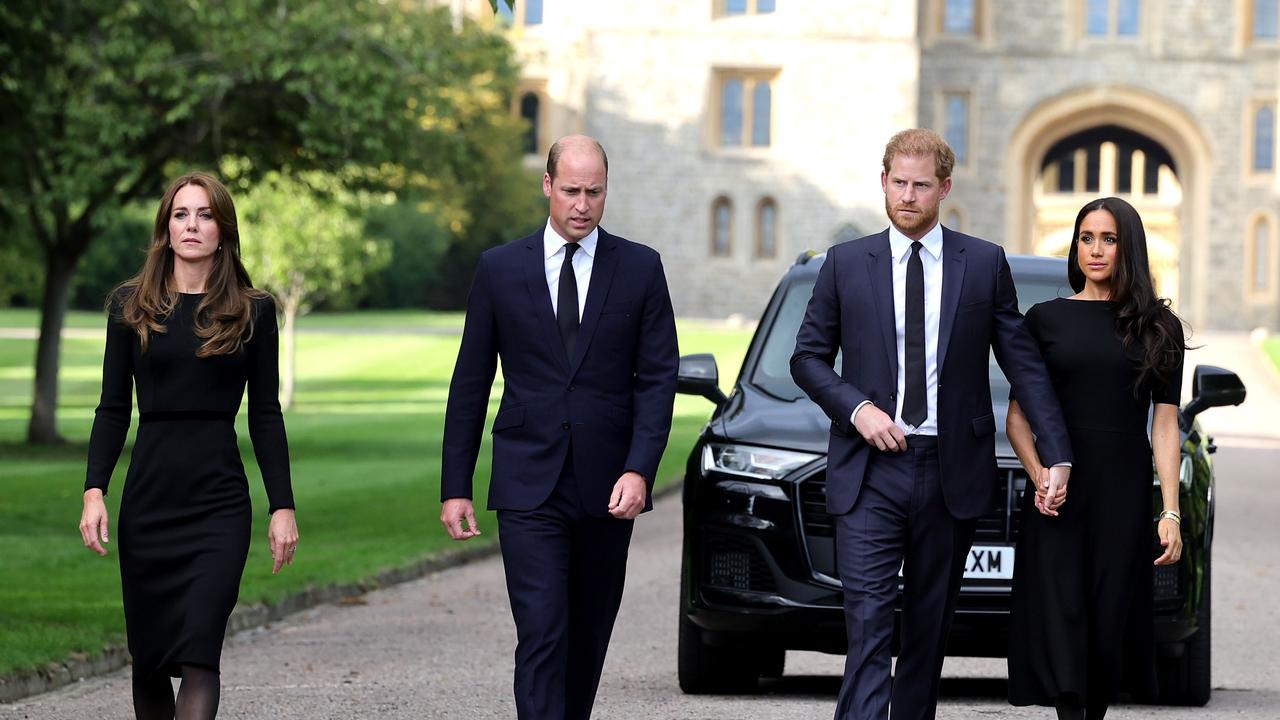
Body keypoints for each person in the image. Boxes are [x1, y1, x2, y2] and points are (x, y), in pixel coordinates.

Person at [791, 128, 1073, 720]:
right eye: (899, 183)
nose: (909, 196)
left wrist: (1058, 454)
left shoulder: (983, 263)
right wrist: (858, 408)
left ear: (944, 188)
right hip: (869, 470)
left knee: (926, 631)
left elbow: (1023, 364)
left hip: (950, 472)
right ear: (884, 181)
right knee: (867, 625)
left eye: (922, 185)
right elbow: (808, 358)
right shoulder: (845, 263)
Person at [439, 135, 679, 720]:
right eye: (570, 190)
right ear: (547, 185)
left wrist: (640, 469)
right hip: (529, 482)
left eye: (594, 192)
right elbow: (470, 383)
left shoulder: (641, 268)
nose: (582, 204)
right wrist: (455, 485)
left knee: (588, 636)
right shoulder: (499, 269)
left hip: (609, 484)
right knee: (543, 629)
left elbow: (657, 381)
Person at [79, 172, 299, 720]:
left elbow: (266, 416)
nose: (192, 225)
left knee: (201, 655)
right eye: (181, 214)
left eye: (204, 215)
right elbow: (112, 408)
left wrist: (282, 506)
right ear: (165, 228)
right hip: (150, 500)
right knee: (150, 661)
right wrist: (94, 490)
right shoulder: (130, 307)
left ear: (223, 231)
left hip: (218, 503)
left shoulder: (254, 311)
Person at [1006, 197, 1186, 720]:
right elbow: (1018, 418)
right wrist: (1040, 475)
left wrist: (1169, 510)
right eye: (1086, 238)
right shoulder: (1044, 320)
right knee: (1062, 621)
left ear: (1128, 246)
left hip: (1122, 495)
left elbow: (1166, 422)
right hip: (1059, 498)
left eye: (1108, 239)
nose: (1095, 250)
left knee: (1107, 627)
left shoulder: (1159, 328)